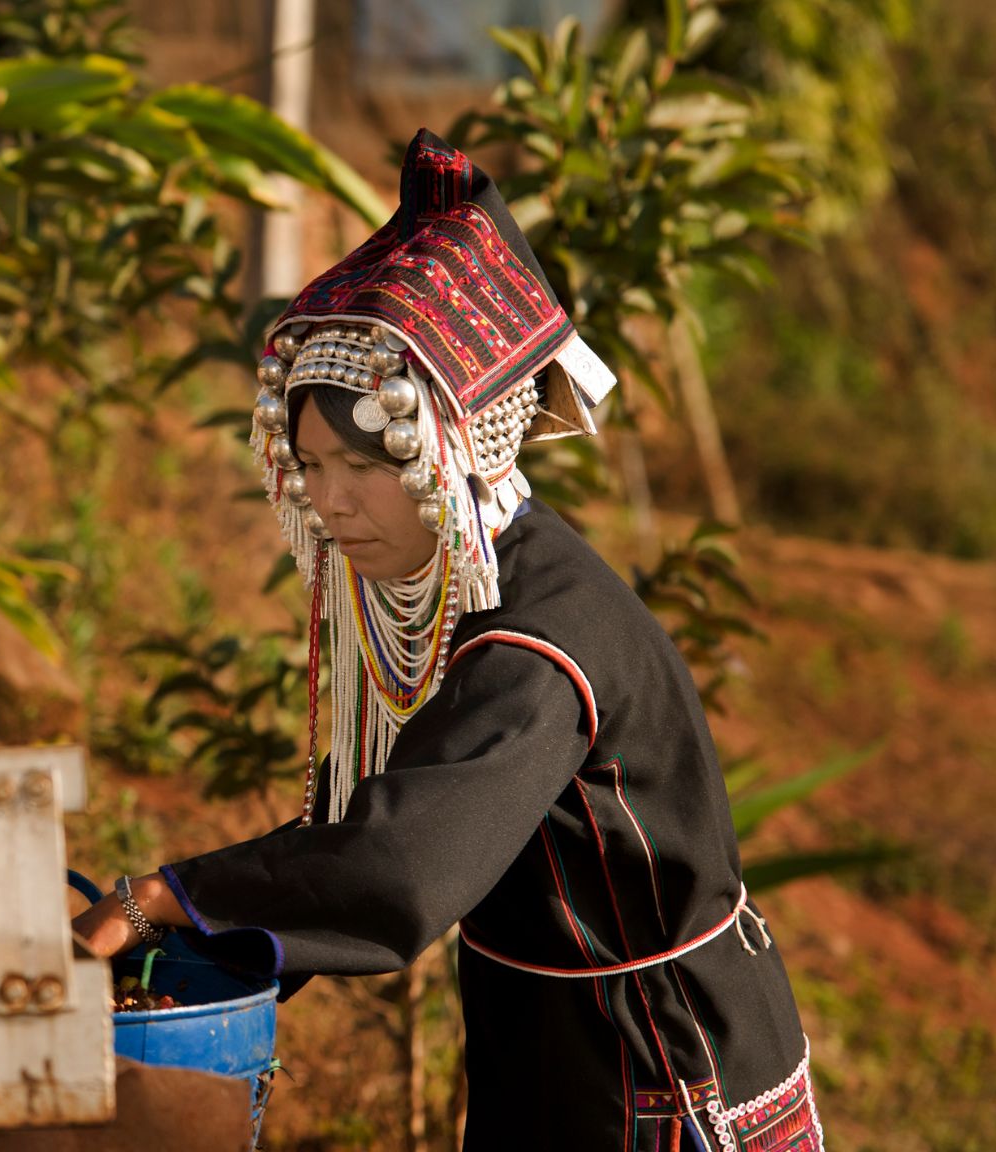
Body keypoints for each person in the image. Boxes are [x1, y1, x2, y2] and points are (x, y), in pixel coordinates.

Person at [73, 130, 824, 1150]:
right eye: (309, 467)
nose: (329, 503)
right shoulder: (481, 587)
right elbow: (372, 825)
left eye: (362, 464)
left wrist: (170, 898)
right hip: (560, 1043)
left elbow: (396, 860)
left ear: (453, 451)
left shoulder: (532, 644)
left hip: (652, 1062)